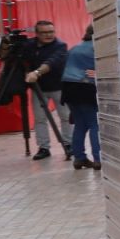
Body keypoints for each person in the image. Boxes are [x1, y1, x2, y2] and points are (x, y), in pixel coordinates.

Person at [19, 20, 69, 161]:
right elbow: (23, 61)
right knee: (40, 119)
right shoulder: (29, 45)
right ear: (37, 34)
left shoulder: (60, 45)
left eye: (51, 32)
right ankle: (44, 147)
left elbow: (52, 62)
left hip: (59, 87)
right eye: (44, 32)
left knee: (65, 116)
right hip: (38, 88)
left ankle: (68, 144)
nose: (48, 35)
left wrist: (37, 72)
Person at [62, 26, 100, 170]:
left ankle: (79, 158)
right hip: (86, 87)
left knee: (80, 125)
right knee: (95, 125)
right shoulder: (97, 48)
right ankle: (98, 159)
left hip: (68, 88)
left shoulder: (74, 48)